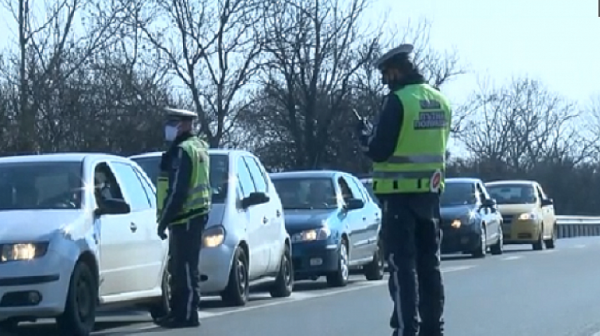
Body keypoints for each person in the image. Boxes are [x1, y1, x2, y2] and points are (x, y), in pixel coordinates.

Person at [356, 44, 452, 336]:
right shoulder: (440, 100)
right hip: (430, 196)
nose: (386, 81)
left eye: (386, 75)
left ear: (396, 70)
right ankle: (434, 327)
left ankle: (407, 328)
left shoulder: (397, 101)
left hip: (398, 198)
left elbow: (380, 149)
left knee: (402, 267)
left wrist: (364, 137)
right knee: (430, 264)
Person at [155, 107, 211, 329]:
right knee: (179, 267)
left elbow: (178, 190)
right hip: (191, 216)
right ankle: (178, 312)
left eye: (173, 122)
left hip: (186, 216)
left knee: (185, 268)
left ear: (184, 124)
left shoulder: (185, 151)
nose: (169, 127)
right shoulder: (198, 146)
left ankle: (187, 314)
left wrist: (164, 220)